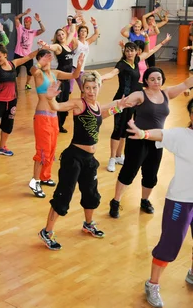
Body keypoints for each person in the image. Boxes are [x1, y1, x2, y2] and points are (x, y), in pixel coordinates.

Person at [38, 72, 131, 251]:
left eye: (94, 87)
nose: (90, 91)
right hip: (73, 158)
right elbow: (57, 106)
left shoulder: (96, 106)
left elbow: (101, 116)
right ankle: (47, 232)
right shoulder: (78, 103)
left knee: (91, 194)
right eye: (87, 88)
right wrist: (50, 99)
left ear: (98, 88)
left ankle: (88, 224)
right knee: (63, 196)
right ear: (83, 89)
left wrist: (118, 107)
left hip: (89, 159)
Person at [124, 102, 193, 308]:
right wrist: (143, 134)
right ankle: (152, 284)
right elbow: (161, 134)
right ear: (190, 114)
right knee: (170, 245)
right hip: (180, 200)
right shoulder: (182, 136)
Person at [109, 69, 193, 218]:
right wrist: (102, 107)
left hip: (157, 141)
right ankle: (115, 201)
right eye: (152, 79)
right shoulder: (140, 95)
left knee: (151, 174)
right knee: (129, 172)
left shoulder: (166, 94)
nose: (156, 82)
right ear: (146, 80)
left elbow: (186, 83)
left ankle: (145, 200)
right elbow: (121, 102)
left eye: (159, 78)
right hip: (137, 140)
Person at [101, 35, 171, 172]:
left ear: (136, 52)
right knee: (117, 130)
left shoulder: (137, 60)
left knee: (126, 130)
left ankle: (118, 155)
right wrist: (101, 77)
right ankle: (111, 158)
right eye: (127, 51)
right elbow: (112, 73)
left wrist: (162, 42)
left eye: (131, 50)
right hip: (122, 100)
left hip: (134, 102)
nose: (129, 53)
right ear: (124, 52)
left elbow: (150, 51)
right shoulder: (122, 64)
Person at [28, 50, 84, 198]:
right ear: (40, 60)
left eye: (49, 57)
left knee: (52, 148)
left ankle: (45, 176)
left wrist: (78, 65)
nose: (48, 60)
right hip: (42, 117)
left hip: (53, 116)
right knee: (42, 150)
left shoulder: (55, 73)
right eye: (44, 58)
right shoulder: (39, 74)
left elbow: (74, 76)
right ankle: (35, 181)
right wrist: (40, 63)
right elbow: (32, 70)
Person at [0, 45, 40, 156]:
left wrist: (40, 49)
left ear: (5, 55)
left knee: (8, 124)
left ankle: (1, 147)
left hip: (12, 100)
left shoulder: (13, 63)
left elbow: (28, 56)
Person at [39, 21, 77, 133]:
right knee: (57, 103)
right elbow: (51, 47)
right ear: (56, 37)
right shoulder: (59, 47)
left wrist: (74, 20)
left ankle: (60, 126)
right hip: (60, 80)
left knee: (65, 103)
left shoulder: (68, 44)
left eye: (62, 34)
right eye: (58, 35)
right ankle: (52, 124)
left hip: (67, 80)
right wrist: (46, 45)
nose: (61, 36)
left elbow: (73, 31)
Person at [14, 8, 46, 90]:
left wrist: (39, 21)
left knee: (30, 72)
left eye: (27, 22)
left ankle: (27, 84)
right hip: (18, 54)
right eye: (25, 22)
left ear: (30, 23)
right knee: (15, 72)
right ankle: (14, 86)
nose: (25, 23)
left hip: (28, 55)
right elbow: (16, 18)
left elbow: (43, 30)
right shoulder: (20, 28)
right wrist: (24, 13)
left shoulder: (33, 32)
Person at [70, 17, 99, 94]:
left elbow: (96, 34)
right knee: (69, 90)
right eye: (81, 31)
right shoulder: (76, 42)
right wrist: (74, 22)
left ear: (87, 33)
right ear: (78, 33)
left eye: (85, 31)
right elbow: (70, 34)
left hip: (81, 70)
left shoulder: (87, 42)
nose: (83, 32)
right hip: (72, 68)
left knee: (83, 90)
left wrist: (95, 24)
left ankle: (83, 104)